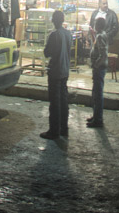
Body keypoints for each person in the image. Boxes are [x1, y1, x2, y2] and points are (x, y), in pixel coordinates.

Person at [41, 9, 71, 140]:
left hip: (55, 71)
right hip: (65, 70)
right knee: (63, 100)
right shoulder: (68, 34)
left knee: (55, 102)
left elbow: (47, 52)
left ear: (53, 20)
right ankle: (64, 128)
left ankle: (54, 131)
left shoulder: (54, 35)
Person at [87, 15, 108, 128]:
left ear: (98, 25)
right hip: (99, 68)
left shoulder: (100, 36)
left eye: (95, 23)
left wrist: (96, 65)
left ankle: (98, 119)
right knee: (95, 92)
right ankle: (96, 116)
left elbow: (103, 55)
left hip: (99, 68)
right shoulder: (100, 35)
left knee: (98, 94)